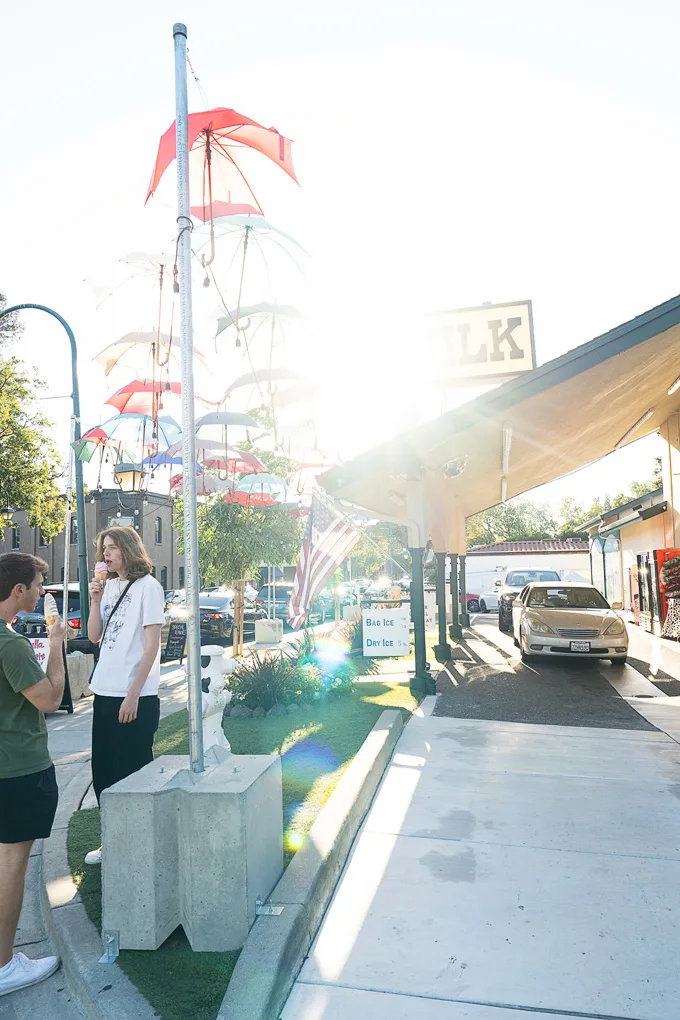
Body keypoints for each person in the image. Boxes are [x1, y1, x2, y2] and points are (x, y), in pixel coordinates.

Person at [0, 552, 67, 997]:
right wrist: (57, 642)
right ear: (18, 590)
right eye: (40, 584)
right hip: (17, 770)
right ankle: (5, 966)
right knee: (11, 865)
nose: (44, 593)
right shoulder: (10, 645)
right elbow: (50, 698)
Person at [85, 527, 165, 865]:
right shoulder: (108, 587)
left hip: (135, 695)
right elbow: (94, 638)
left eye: (113, 548)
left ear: (129, 550)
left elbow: (151, 646)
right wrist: (93, 600)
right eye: (104, 548)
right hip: (104, 690)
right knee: (103, 771)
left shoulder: (150, 587)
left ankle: (142, 843)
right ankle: (112, 841)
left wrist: (133, 695)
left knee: (132, 770)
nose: (106, 554)